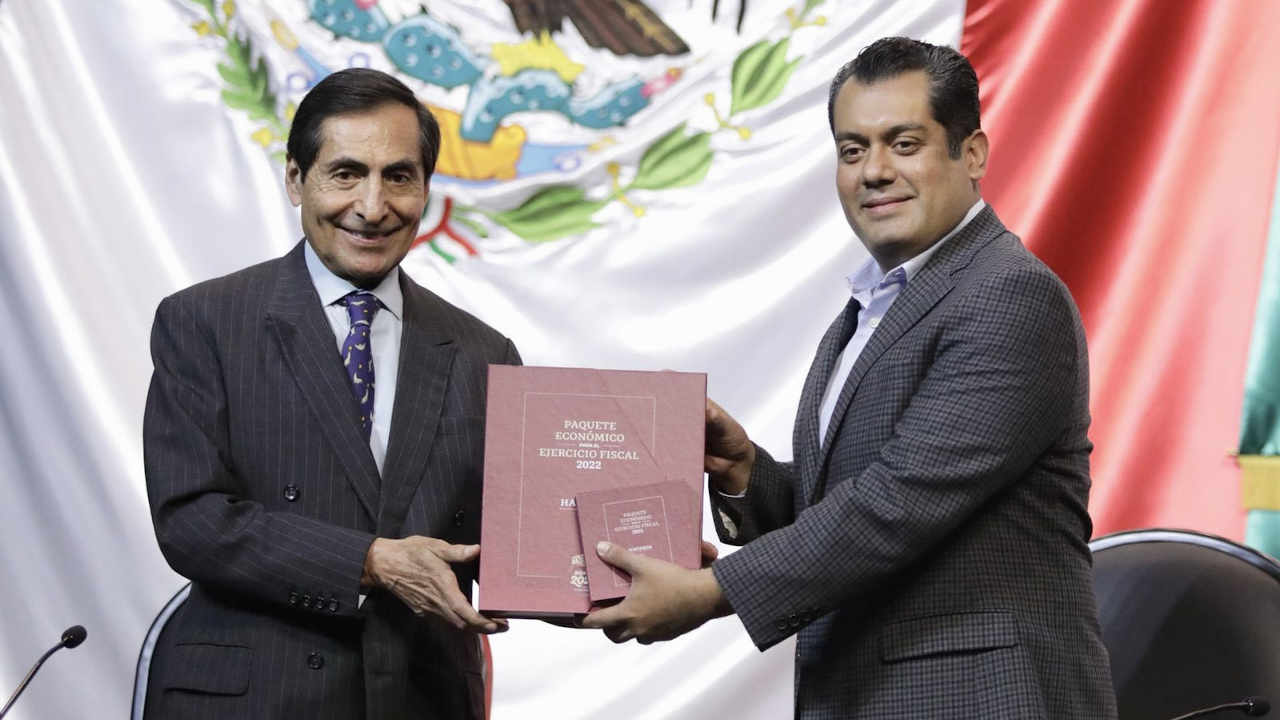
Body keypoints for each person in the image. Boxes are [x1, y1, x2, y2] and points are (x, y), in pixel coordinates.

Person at [582, 37, 1118, 718]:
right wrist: (747, 471)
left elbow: (900, 503)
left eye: (904, 143)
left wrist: (712, 592)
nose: (875, 171)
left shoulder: (1008, 294)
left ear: (973, 153)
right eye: (853, 150)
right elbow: (853, 503)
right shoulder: (873, 307)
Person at [142, 68, 519, 719]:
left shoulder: (486, 354)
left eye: (398, 177)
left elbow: (519, 544)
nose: (372, 206)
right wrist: (369, 562)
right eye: (346, 173)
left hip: (419, 699)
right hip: (252, 699)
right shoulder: (204, 322)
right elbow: (191, 522)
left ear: (426, 188)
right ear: (296, 179)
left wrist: (623, 553)